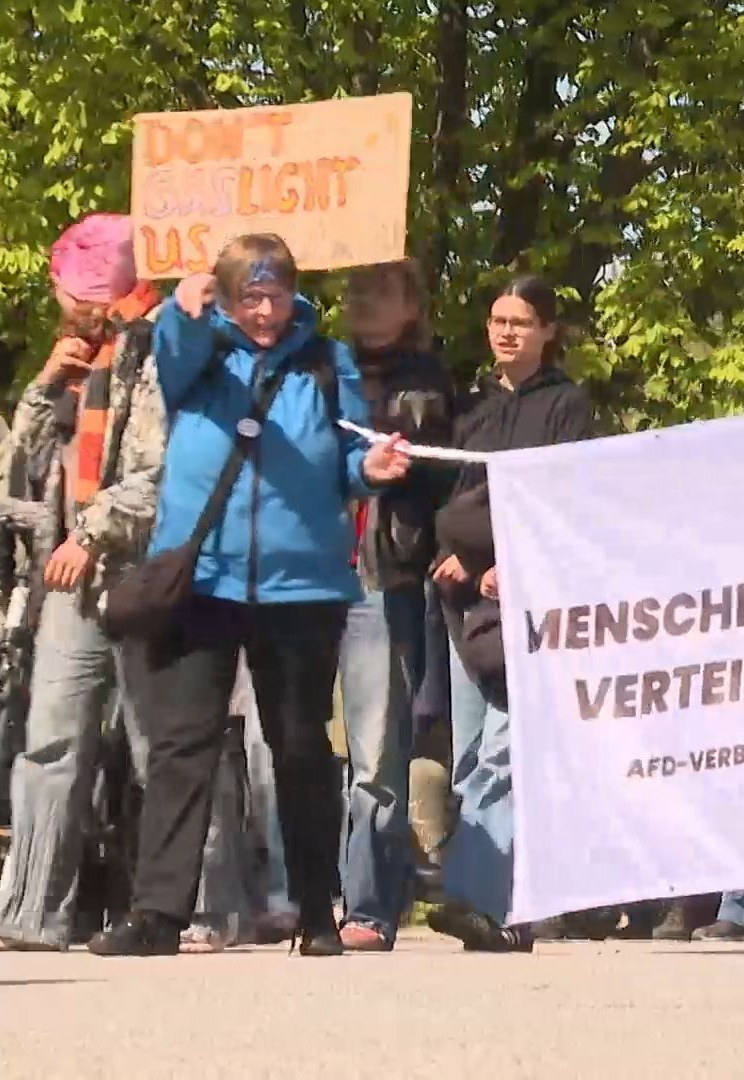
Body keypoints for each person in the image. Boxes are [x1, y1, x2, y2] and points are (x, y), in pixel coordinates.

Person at [89, 234, 411, 958]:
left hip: (304, 588)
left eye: (276, 296)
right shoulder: (201, 356)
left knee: (299, 748)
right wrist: (184, 309)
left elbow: (351, 455)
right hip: (203, 579)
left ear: (295, 293)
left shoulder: (329, 363)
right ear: (230, 299)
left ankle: (313, 914)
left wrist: (375, 466)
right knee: (181, 746)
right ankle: (159, 914)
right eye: (249, 297)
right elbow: (171, 358)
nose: (264, 311)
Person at [0, 214, 167, 951]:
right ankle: (31, 906)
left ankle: (194, 905)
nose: (60, 304)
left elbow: (161, 471)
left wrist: (93, 534)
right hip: (68, 580)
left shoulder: (154, 348)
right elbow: (27, 460)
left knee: (161, 747)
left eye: (66, 289)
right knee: (51, 741)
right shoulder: (84, 358)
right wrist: (47, 382)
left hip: (139, 568)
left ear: (95, 288)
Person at [427, 275, 594, 953]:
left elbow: (564, 505)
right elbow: (450, 494)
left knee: (504, 753)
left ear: (548, 331)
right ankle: (504, 909)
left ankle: (477, 895)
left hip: (527, 606)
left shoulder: (568, 409)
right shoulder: (468, 409)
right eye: (498, 319)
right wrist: (455, 559)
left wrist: (507, 566)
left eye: (521, 322)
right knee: (474, 759)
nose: (506, 332)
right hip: (462, 607)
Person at [335, 260, 455, 951]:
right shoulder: (322, 369)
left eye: (379, 290)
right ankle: (292, 896)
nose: (361, 302)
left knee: (378, 754)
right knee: (283, 748)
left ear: (410, 303)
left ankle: (371, 905)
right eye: (354, 290)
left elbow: (415, 458)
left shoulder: (425, 382)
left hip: (384, 577)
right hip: (311, 575)